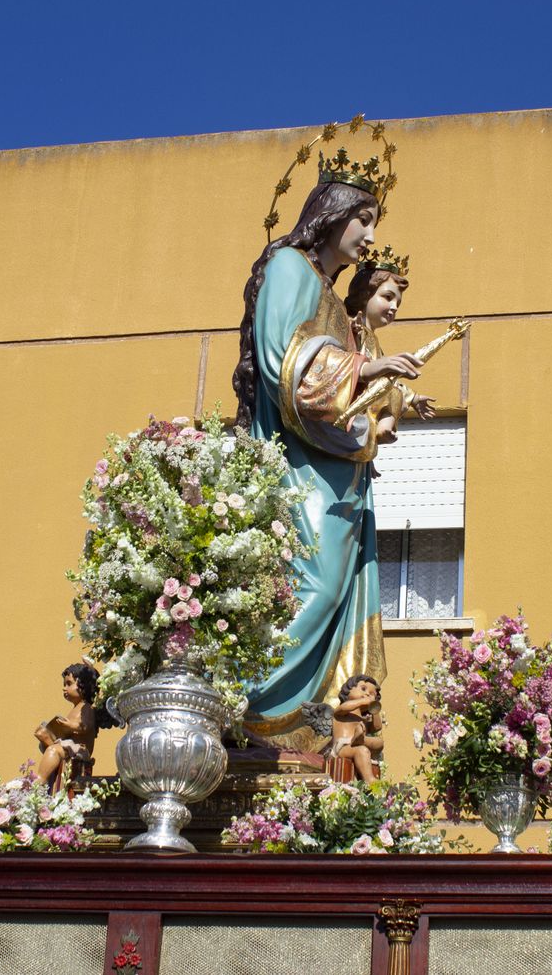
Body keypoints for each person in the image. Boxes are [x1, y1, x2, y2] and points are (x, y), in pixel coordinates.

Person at [232, 126, 426, 746]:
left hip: (337, 469)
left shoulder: (338, 305)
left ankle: (300, 724)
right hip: (298, 467)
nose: (370, 237)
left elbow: (340, 397)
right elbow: (283, 363)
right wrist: (368, 369)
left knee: (331, 584)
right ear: (332, 214)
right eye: (363, 220)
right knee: (310, 584)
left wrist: (375, 417)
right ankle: (246, 708)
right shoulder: (289, 268)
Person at [343, 252, 437, 445]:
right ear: (364, 294)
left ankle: (378, 435)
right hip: (349, 407)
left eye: (398, 303)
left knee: (395, 393)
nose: (394, 307)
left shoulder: (375, 342)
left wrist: (412, 397)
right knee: (393, 393)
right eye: (387, 297)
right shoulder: (351, 328)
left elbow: (389, 381)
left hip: (368, 407)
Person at [32, 662, 99, 791]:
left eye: (69, 684)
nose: (64, 688)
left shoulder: (87, 708)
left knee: (54, 750)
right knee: (50, 744)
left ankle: (41, 781)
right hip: (70, 747)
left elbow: (85, 726)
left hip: (80, 750)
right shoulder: (75, 709)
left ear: (83, 685)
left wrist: (70, 725)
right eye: (64, 684)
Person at [331, 673, 384, 781]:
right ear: (348, 690)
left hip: (357, 743)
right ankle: (370, 780)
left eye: (372, 694)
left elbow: (377, 727)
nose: (367, 694)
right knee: (362, 750)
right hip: (342, 747)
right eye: (363, 689)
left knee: (379, 742)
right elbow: (345, 707)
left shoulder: (363, 719)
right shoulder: (342, 712)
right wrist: (363, 701)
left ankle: (359, 739)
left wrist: (375, 709)